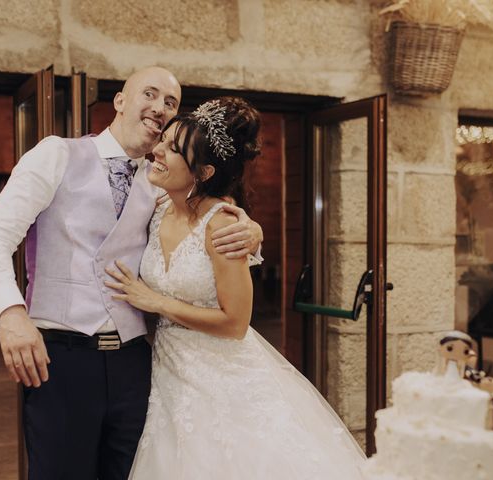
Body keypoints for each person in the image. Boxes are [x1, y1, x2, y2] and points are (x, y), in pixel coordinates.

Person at [0, 67, 262, 480]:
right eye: (150, 93)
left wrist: (252, 231)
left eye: (171, 103)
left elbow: (209, 216)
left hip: (135, 363)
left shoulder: (163, 179)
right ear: (120, 101)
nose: (160, 108)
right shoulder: (56, 154)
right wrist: (10, 315)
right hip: (62, 359)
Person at [105, 97, 367, 479]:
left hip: (222, 374)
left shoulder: (224, 225)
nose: (157, 150)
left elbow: (235, 322)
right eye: (164, 140)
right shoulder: (157, 205)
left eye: (173, 149)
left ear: (204, 171)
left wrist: (154, 300)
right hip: (169, 371)